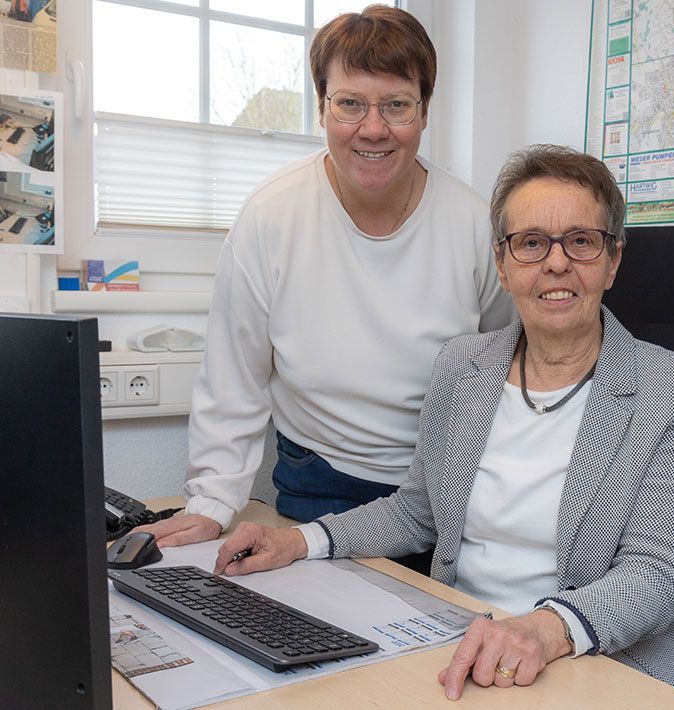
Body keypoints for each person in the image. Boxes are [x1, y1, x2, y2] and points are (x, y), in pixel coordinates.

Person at [209, 145, 674, 705]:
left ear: (612, 260)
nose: (557, 263)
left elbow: (658, 572)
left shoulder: (669, 387)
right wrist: (298, 541)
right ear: (502, 266)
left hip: (600, 655)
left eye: (581, 241)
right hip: (460, 641)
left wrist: (543, 629)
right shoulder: (462, 368)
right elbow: (416, 513)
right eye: (531, 243)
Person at [137, 7, 513, 548]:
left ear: (425, 111)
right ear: (321, 107)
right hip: (321, 482)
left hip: (446, 485)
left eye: (397, 105)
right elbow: (233, 376)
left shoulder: (476, 224)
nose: (374, 128)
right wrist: (212, 503)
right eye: (350, 104)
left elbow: (504, 365)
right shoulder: (272, 216)